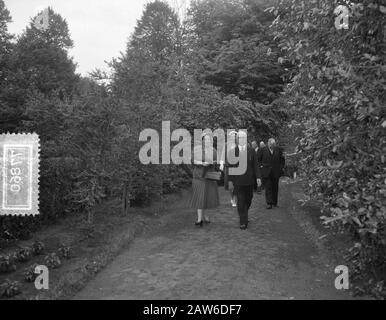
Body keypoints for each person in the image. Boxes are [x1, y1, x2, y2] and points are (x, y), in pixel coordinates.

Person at [228, 131, 261, 230]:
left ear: (246, 139)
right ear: (238, 140)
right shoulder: (233, 152)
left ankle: (244, 214)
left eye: (243, 138)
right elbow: (231, 167)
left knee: (248, 199)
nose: (242, 139)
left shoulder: (251, 151)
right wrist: (230, 181)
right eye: (240, 138)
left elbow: (256, 165)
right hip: (238, 181)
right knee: (241, 201)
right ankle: (243, 222)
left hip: (249, 181)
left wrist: (258, 177)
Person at [189, 133, 220, 227]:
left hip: (209, 176)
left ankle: (205, 216)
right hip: (199, 176)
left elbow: (217, 161)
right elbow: (193, 160)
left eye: (209, 140)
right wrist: (203, 163)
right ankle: (199, 219)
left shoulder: (213, 150)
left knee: (206, 196)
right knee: (199, 196)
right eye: (205, 139)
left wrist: (213, 162)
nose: (207, 141)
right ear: (202, 141)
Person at [256, 138, 285, 209]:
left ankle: (275, 202)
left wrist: (280, 167)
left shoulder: (278, 149)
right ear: (268, 143)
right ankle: (269, 203)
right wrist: (261, 167)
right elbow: (258, 160)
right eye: (272, 144)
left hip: (276, 171)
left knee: (275, 187)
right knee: (268, 187)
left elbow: (282, 159)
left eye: (274, 144)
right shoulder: (262, 150)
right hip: (266, 171)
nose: (273, 146)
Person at [220, 131, 238, 207]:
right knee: (230, 185)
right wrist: (221, 164)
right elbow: (223, 155)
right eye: (232, 136)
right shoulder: (226, 145)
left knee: (237, 184)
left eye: (235, 136)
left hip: (237, 167)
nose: (233, 137)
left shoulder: (239, 145)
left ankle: (234, 199)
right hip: (228, 167)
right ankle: (232, 197)